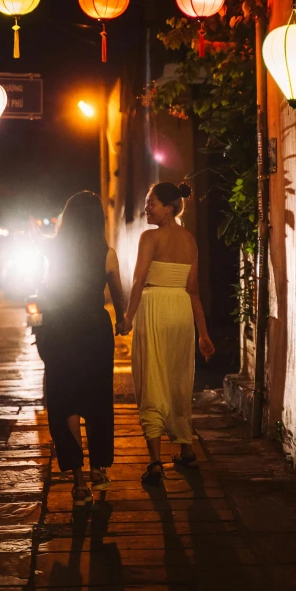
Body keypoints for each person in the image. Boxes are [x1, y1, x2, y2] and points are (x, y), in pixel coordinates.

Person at [34, 191, 126, 506]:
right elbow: (116, 292)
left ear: (68, 217)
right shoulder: (106, 252)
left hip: (60, 328)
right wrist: (123, 321)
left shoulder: (52, 249)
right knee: (97, 397)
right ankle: (98, 470)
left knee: (65, 400)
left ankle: (78, 483)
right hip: (94, 330)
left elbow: (40, 287)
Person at [119, 181, 215, 485]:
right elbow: (194, 292)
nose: (147, 208)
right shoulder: (189, 241)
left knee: (151, 378)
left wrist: (128, 317)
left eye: (152, 203)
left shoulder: (150, 237)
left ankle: (156, 461)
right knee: (177, 378)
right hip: (181, 311)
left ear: (169, 208)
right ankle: (187, 451)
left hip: (155, 307)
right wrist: (203, 334)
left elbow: (138, 281)